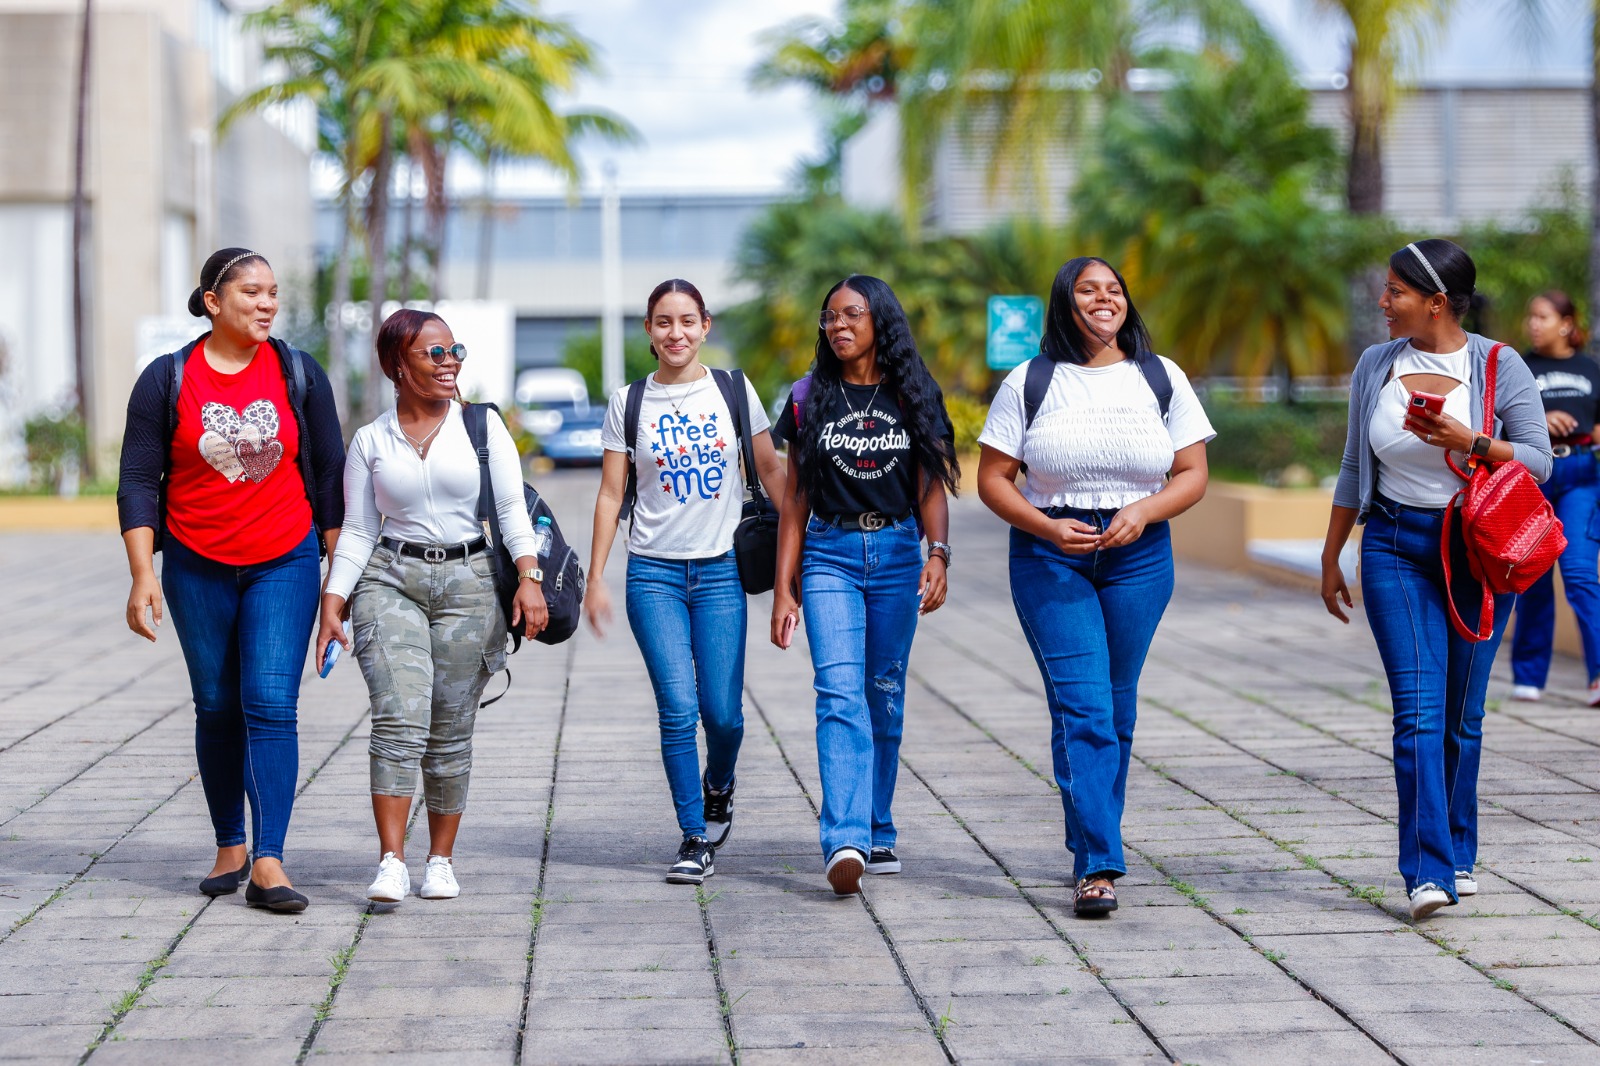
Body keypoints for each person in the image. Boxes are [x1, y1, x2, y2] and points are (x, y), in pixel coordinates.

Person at [1320, 239, 1552, 920]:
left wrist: (1467, 441)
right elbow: (1353, 466)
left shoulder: (1498, 363)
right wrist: (1333, 556)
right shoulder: (1377, 364)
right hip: (1394, 545)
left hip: (1478, 550)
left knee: (1461, 716)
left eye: (1395, 291)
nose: (1383, 302)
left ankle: (1457, 849)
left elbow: (1539, 460)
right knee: (1418, 712)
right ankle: (1426, 871)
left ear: (1436, 302)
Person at [975, 257, 1213, 917]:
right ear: (1065, 302)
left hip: (1140, 555)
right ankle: (1098, 863)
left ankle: (1089, 838)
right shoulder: (1030, 381)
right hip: (1052, 555)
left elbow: (1193, 473)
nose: (1104, 299)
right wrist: (1046, 528)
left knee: (1115, 706)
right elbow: (992, 479)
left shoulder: (1161, 377)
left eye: (1114, 290)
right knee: (1084, 705)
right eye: (1088, 290)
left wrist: (1146, 511)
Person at [117, 247, 345, 913]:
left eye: (273, 292)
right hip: (195, 565)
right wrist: (142, 573)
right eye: (251, 292)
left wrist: (340, 580)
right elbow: (138, 480)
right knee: (216, 705)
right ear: (213, 301)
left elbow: (331, 476)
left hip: (284, 560)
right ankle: (230, 845)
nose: (267, 303)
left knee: (270, 702)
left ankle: (269, 860)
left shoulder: (299, 373)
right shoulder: (167, 379)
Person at [316, 310, 546, 905]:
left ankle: (439, 861)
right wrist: (332, 602)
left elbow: (512, 509)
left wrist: (529, 578)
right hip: (389, 579)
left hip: (471, 582)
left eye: (455, 351)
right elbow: (359, 530)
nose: (451, 363)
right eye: (435, 353)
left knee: (449, 729)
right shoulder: (370, 440)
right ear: (399, 365)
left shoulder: (482, 427)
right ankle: (391, 861)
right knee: (399, 716)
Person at [586, 279, 786, 885]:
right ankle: (694, 835)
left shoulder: (733, 390)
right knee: (677, 710)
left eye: (687, 321)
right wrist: (595, 577)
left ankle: (719, 783)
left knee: (723, 717)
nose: (676, 333)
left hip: (721, 571)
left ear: (705, 326)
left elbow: (771, 469)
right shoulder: (629, 402)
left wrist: (798, 561)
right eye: (664, 322)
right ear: (649, 331)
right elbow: (611, 494)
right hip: (653, 573)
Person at [771, 275, 958, 897]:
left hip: (899, 552)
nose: (839, 326)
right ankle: (844, 839)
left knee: (883, 692)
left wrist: (938, 554)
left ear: (881, 319)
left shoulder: (913, 392)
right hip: (829, 553)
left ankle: (878, 827)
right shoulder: (808, 397)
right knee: (837, 691)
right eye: (830, 317)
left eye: (852, 314)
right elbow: (795, 499)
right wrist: (783, 586)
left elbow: (931, 486)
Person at [1508, 291, 1600, 704]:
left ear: (1566, 324)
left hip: (1582, 475)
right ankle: (1529, 676)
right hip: (1533, 475)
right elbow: (1499, 422)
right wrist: (1538, 420)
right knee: (1533, 575)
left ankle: (1598, 675)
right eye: (1531, 316)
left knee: (1580, 573)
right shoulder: (1519, 367)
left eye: (1542, 316)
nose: (1533, 323)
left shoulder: (1590, 369)